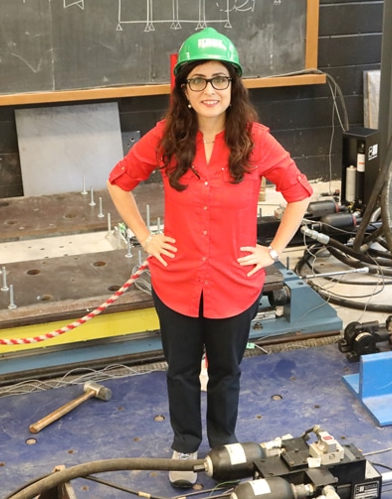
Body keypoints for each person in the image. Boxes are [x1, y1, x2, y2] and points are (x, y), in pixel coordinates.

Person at [106, 27, 313, 487]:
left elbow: (299, 194)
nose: (209, 90)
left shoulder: (257, 140)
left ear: (233, 85)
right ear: (183, 89)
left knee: (226, 371)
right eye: (197, 80)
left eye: (219, 79)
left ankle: (223, 444)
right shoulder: (165, 137)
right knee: (180, 371)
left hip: (234, 284)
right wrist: (145, 237)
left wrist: (273, 251)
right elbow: (119, 182)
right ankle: (184, 445)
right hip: (176, 280)